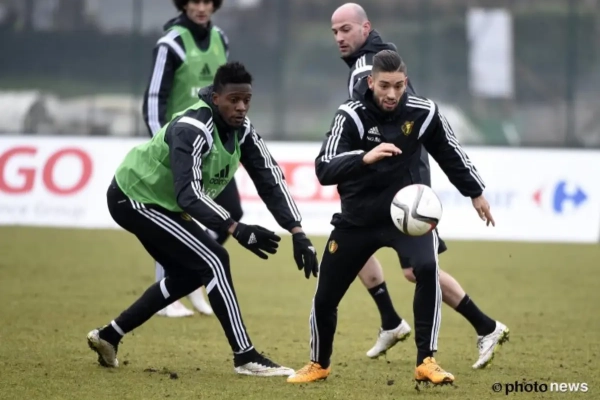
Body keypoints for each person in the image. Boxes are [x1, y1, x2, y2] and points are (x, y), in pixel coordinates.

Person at [88, 62, 319, 376]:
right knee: (215, 259)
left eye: (246, 100)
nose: (241, 107)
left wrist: (297, 231)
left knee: (190, 274)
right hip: (134, 197)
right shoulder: (192, 128)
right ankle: (245, 356)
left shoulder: (243, 130)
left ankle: (109, 336)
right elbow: (189, 194)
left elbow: (270, 179)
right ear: (215, 97)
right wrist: (235, 228)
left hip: (162, 203)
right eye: (233, 100)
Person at [287, 50, 494, 384]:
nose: (392, 93)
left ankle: (426, 361)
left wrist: (475, 192)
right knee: (326, 296)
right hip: (358, 218)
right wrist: (363, 157)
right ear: (371, 82)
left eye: (398, 86)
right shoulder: (350, 115)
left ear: (406, 82)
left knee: (426, 268)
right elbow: (324, 167)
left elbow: (450, 153)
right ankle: (318, 364)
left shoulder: (423, 112)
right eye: (384, 85)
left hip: (406, 218)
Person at [329, 2, 509, 369]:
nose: (339, 37)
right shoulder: (376, 58)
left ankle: (482, 327)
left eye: (346, 29)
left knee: (408, 265)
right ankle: (394, 321)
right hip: (385, 176)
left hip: (400, 182)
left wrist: (473, 190)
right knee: (366, 245)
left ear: (365, 28)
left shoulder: (368, 68)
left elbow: (413, 130)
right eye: (334, 32)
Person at [141, 0, 241, 318]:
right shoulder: (171, 43)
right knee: (173, 216)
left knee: (231, 213)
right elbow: (154, 98)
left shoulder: (220, 39)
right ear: (183, 4)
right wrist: (163, 147)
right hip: (179, 147)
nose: (201, 7)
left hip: (213, 147)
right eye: (194, 1)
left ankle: (193, 274)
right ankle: (168, 296)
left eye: (207, 1)